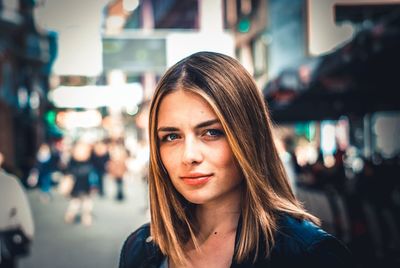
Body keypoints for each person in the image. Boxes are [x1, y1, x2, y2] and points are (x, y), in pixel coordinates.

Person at [119, 52, 354, 267]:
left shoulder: (310, 255)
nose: (189, 155)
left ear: (249, 137)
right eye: (171, 136)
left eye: (212, 132)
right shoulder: (140, 249)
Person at [0, 152, 34, 268]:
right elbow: (22, 210)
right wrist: (28, 232)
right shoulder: (10, 181)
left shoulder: (10, 182)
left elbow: (21, 209)